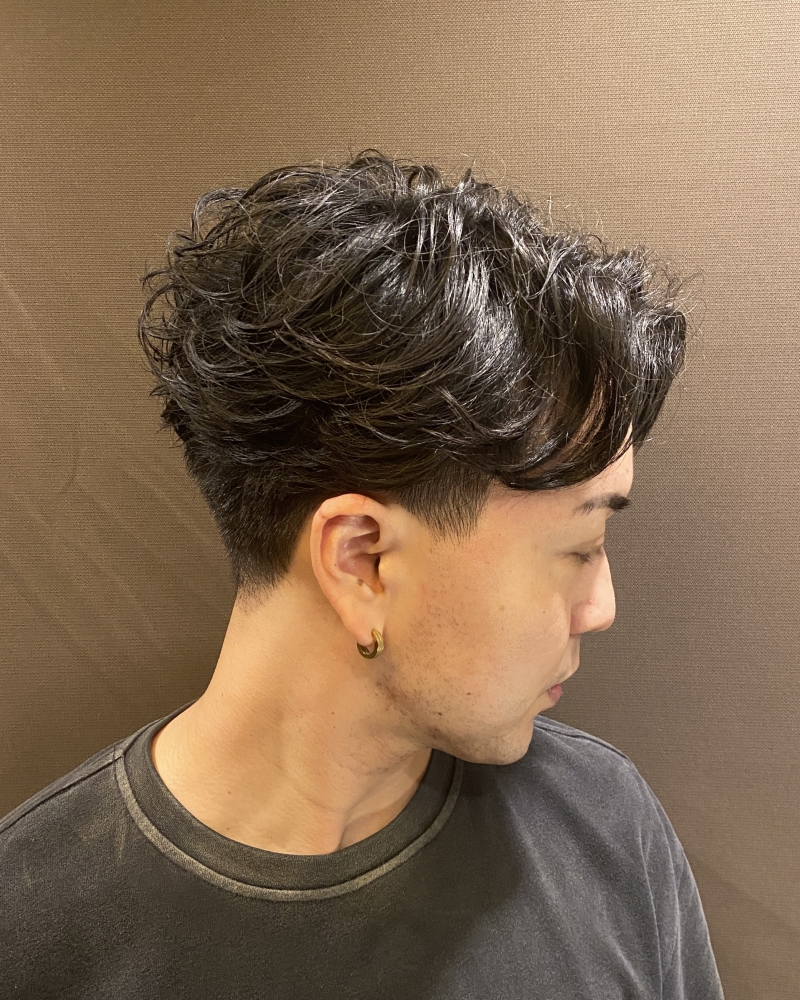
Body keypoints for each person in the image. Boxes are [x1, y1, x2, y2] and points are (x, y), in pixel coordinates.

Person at [0, 148, 725, 998]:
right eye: (580, 547)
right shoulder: (31, 931)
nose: (599, 608)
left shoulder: (607, 829)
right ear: (362, 561)